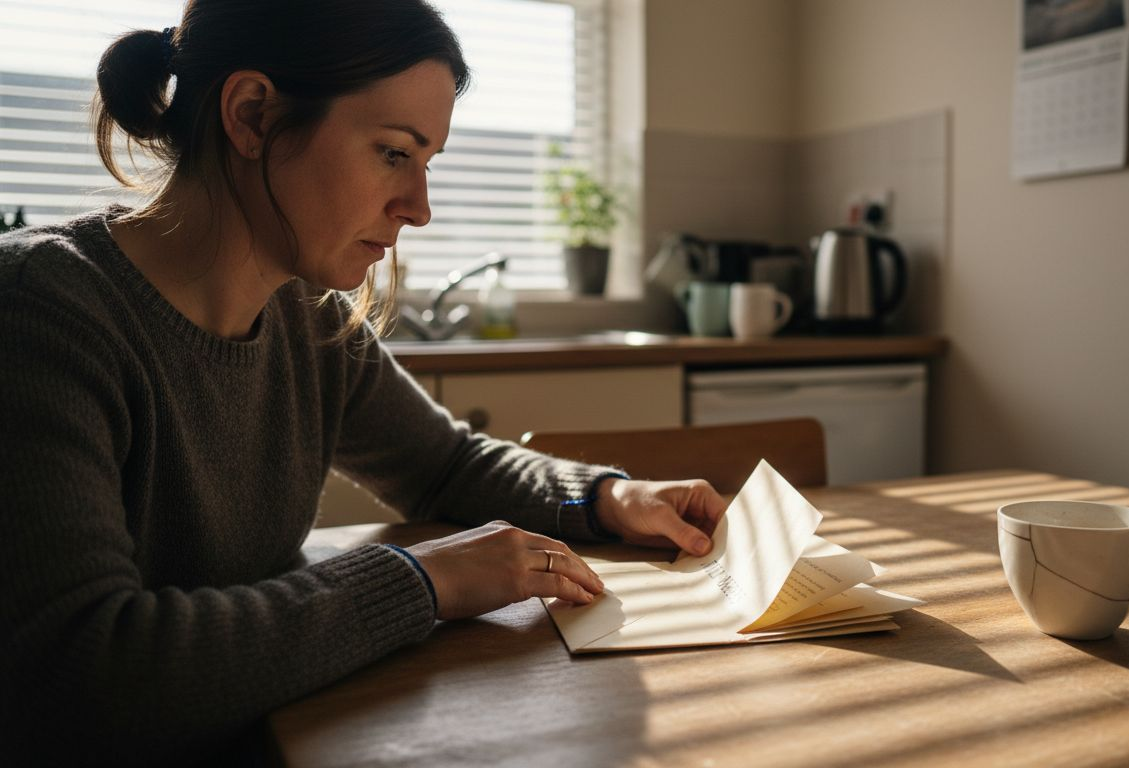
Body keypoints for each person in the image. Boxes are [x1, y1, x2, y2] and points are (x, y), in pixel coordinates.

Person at [0, 1, 726, 764]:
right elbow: (81, 673)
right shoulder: (41, 313)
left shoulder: (306, 316)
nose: (419, 208)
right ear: (251, 115)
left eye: (426, 162)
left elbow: (446, 466)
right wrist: (420, 580)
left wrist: (604, 498)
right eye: (392, 153)